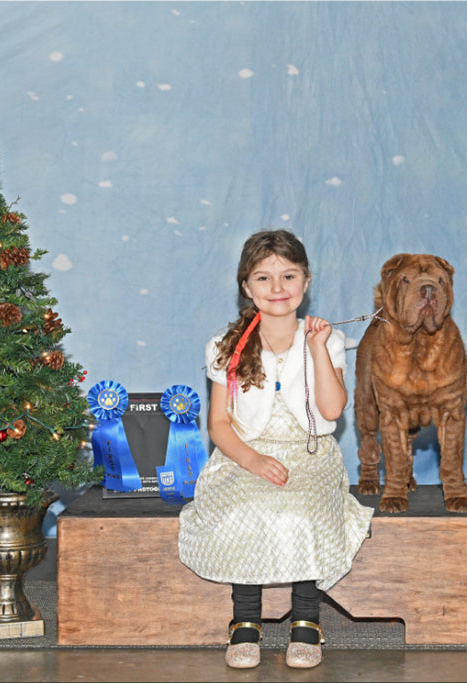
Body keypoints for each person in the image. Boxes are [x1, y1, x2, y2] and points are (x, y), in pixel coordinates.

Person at [178, 229, 374, 669]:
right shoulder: (225, 346)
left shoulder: (328, 339)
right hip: (243, 454)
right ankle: (244, 622)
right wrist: (252, 460)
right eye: (263, 278)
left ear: (306, 282)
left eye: (289, 276)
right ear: (246, 287)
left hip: (310, 452)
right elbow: (218, 424)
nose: (278, 288)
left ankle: (306, 620)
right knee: (244, 508)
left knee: (304, 510)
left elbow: (332, 408)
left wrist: (319, 350)